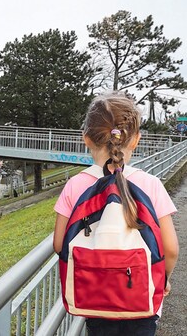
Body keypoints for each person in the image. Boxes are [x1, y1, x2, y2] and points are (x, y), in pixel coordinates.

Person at [53, 93, 179, 335]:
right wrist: (163, 279)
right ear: (135, 141)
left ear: (86, 139)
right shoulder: (150, 184)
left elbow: (60, 244)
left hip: (95, 299)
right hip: (141, 298)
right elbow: (171, 249)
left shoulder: (75, 185)